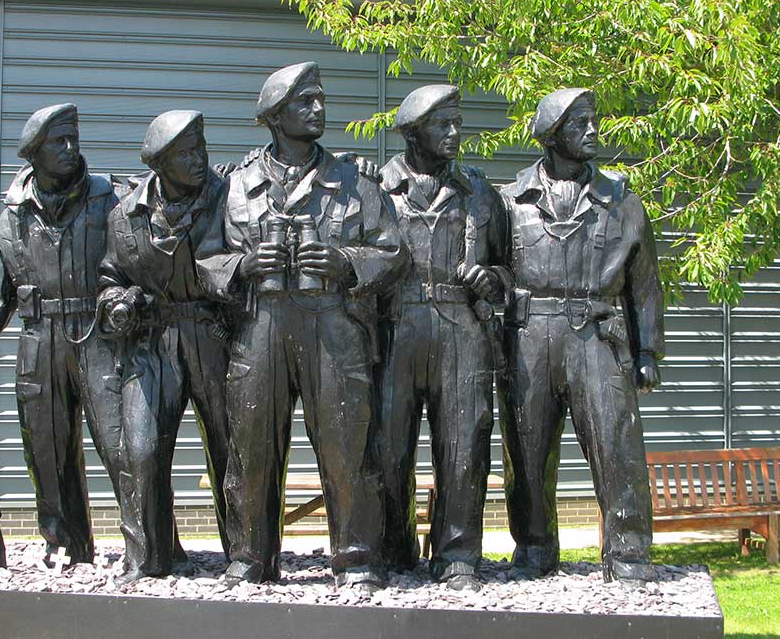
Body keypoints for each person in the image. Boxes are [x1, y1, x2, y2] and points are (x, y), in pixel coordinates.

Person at [196, 61, 407, 589]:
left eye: (320, 99)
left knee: (346, 447)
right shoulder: (235, 184)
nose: (318, 109)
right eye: (304, 101)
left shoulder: (354, 181)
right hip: (259, 326)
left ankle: (357, 560)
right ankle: (250, 559)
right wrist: (242, 266)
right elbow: (204, 260)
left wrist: (345, 262)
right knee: (252, 448)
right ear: (274, 115)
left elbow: (393, 251)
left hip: (333, 326)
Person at [0, 104, 122, 564]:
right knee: (46, 451)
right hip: (39, 340)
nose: (71, 148)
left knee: (124, 445)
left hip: (98, 335)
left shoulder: (108, 198)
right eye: (59, 141)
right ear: (34, 153)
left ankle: (151, 546)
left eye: (74, 138)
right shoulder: (14, 216)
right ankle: (65, 544)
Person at [498, 88, 665, 583]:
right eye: (580, 123)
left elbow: (645, 284)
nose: (593, 131)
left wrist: (648, 350)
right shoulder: (510, 202)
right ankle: (533, 548)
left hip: (598, 336)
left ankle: (629, 554)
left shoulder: (621, 201)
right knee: (526, 449)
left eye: (593, 121)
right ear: (551, 135)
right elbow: (491, 270)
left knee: (617, 445)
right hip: (529, 336)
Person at [375, 84, 510, 591]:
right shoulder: (376, 189)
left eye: (457, 123)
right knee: (388, 445)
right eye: (441, 124)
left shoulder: (479, 193)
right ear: (413, 133)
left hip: (461, 328)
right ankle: (394, 547)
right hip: (395, 328)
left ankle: (457, 555)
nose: (454, 133)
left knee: (464, 443)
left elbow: (510, 270)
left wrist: (492, 280)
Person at [96, 110, 235, 584]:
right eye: (187, 153)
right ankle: (150, 560)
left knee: (232, 449)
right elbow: (110, 276)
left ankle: (246, 557)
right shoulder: (125, 215)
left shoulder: (227, 198)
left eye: (201, 148)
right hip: (152, 342)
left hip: (213, 336)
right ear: (159, 163)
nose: (199, 159)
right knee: (141, 449)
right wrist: (117, 301)